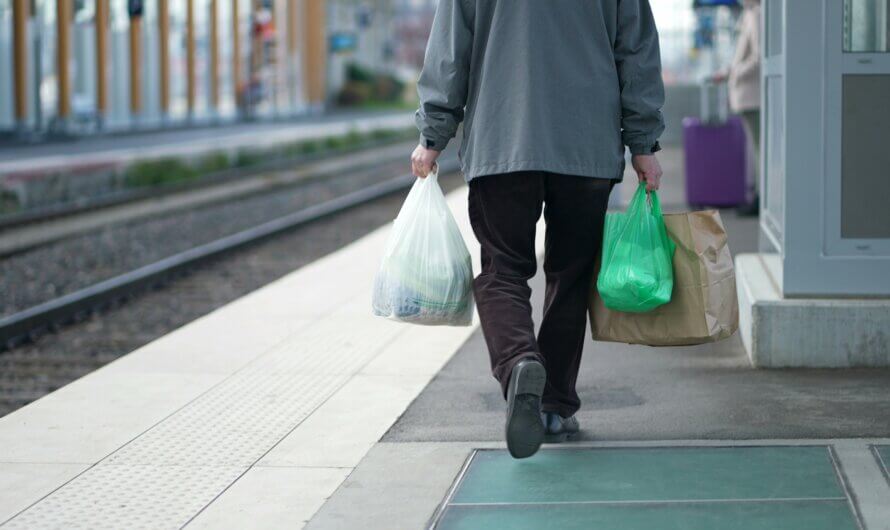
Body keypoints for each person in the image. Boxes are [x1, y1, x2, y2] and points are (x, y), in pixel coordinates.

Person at [410, 0, 665, 459]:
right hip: (586, 144)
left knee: (502, 270)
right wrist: (643, 143)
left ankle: (520, 363)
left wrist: (433, 136)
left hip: (501, 138)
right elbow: (637, 51)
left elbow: (451, 52)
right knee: (571, 276)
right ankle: (554, 404)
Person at [721, 0, 761, 216]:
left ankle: (760, 198)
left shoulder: (756, 15)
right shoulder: (748, 16)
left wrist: (735, 73)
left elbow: (758, 57)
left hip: (752, 96)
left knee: (759, 149)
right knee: (756, 149)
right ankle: (757, 195)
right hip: (746, 97)